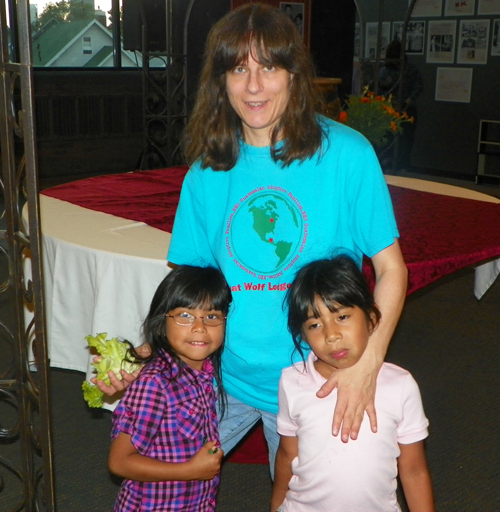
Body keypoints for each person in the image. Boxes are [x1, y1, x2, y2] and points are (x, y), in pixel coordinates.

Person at [97, 2, 408, 478]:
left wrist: (367, 362)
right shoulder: (206, 171)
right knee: (162, 482)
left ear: (293, 76)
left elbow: (391, 269)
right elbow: (191, 282)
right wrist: (151, 352)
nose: (254, 85)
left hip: (319, 379)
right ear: (221, 81)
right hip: (225, 378)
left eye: (269, 66)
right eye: (239, 68)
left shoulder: (346, 154)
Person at [271, 255, 433, 512]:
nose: (331, 335)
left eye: (342, 317)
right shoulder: (293, 382)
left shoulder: (400, 385)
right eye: (315, 324)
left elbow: (413, 472)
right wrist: (276, 505)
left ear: (371, 319)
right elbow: (287, 456)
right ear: (302, 335)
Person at [108, 265, 231, 512]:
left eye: (212, 316)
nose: (200, 327)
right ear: (162, 323)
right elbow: (119, 462)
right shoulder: (154, 385)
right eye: (185, 315)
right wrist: (190, 471)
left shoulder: (204, 371)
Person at [378, 39, 423, 173]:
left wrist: (392, 102)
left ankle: (388, 164)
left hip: (389, 110)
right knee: (405, 140)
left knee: (388, 138)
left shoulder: (385, 70)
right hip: (406, 110)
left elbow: (381, 91)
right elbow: (418, 87)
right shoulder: (411, 69)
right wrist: (406, 101)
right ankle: (402, 166)